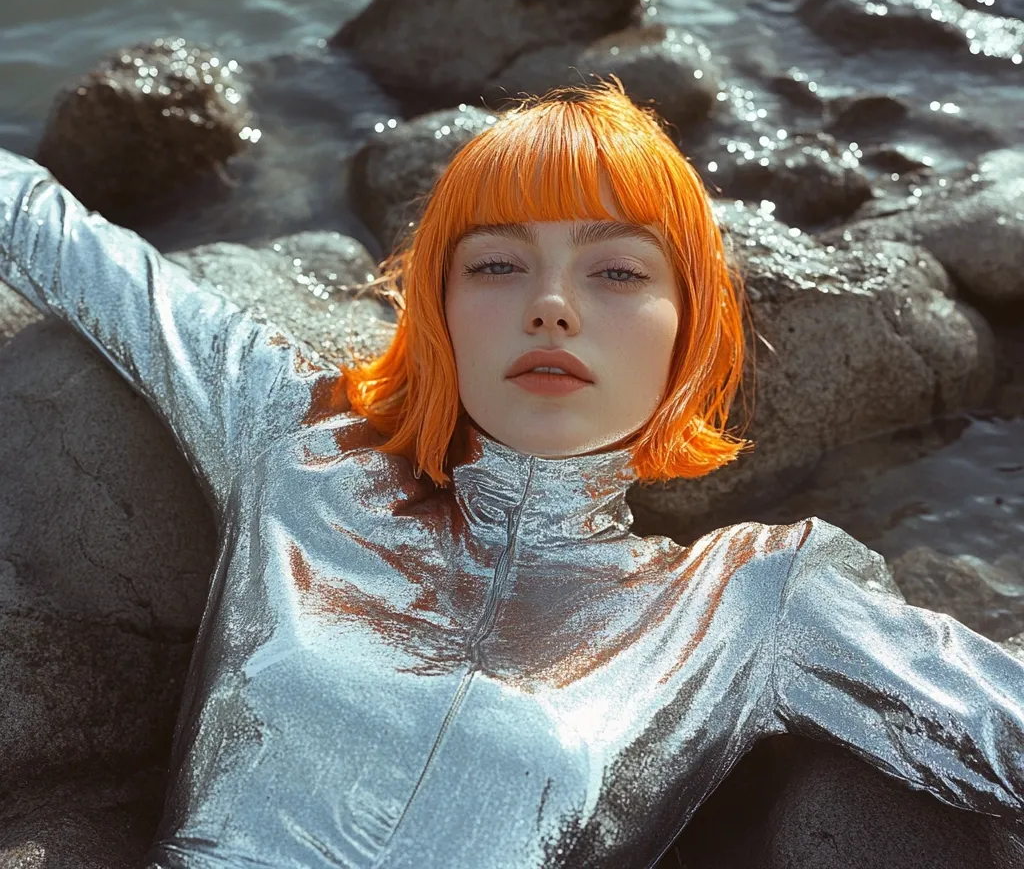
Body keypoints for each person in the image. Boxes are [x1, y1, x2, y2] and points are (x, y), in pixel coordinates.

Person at [0, 84, 1021, 868]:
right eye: (496, 264)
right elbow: (56, 235)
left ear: (691, 330)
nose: (551, 306)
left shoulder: (746, 601)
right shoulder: (305, 443)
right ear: (437, 307)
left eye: (616, 271)